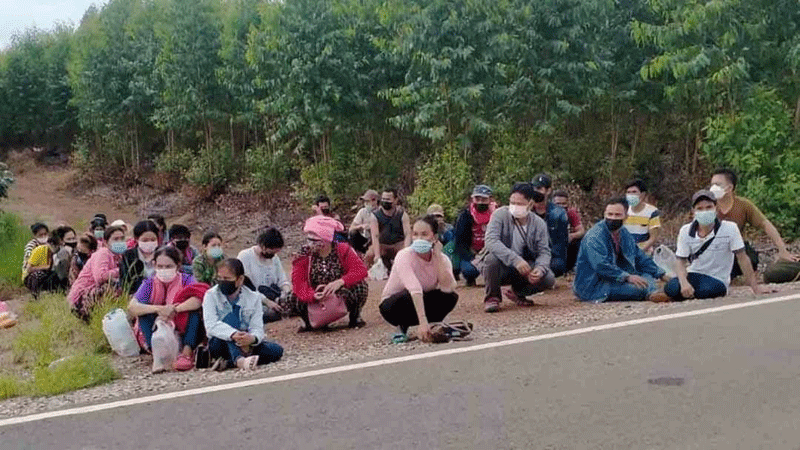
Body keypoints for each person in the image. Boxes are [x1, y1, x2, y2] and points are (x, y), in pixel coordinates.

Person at [665, 190, 762, 301]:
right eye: (700, 209)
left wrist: (755, 288)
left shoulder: (730, 228)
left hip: (717, 278)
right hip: (694, 273)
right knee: (671, 287)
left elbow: (742, 258)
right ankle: (685, 293)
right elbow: (680, 261)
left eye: (709, 207)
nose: (705, 211)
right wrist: (683, 283)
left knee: (709, 290)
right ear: (693, 211)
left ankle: (683, 296)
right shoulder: (685, 231)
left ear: (716, 208)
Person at [708, 168, 800, 283]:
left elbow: (765, 225)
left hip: (735, 249)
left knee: (749, 255)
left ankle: (744, 276)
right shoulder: (707, 206)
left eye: (717, 185)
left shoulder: (743, 205)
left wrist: (782, 250)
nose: (713, 188)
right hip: (713, 250)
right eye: (712, 185)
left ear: (729, 188)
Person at [574, 198, 671, 302]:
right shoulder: (595, 236)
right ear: (604, 214)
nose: (613, 218)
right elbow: (601, 266)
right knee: (638, 288)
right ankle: (651, 292)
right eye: (610, 214)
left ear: (626, 216)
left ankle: (653, 292)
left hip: (615, 278)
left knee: (645, 274)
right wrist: (627, 277)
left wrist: (660, 274)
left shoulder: (623, 232)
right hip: (595, 285)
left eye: (617, 215)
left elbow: (639, 256)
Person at [379, 216, 458, 343]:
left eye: (424, 234)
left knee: (450, 297)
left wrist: (438, 256)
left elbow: (448, 287)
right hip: (397, 304)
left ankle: (435, 324)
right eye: (415, 234)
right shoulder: (404, 256)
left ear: (434, 237)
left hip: (423, 297)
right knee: (407, 296)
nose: (419, 238)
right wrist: (422, 321)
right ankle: (404, 327)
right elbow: (414, 289)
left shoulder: (442, 258)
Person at [127, 247, 205, 372]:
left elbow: (198, 299)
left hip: (180, 327)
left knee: (193, 313)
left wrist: (175, 309)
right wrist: (159, 309)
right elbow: (133, 307)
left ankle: (187, 352)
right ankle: (157, 353)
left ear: (178, 265)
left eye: (168, 266)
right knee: (144, 314)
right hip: (158, 327)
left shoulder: (186, 280)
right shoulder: (149, 283)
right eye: (160, 266)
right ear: (154, 265)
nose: (164, 270)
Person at [483, 183, 555, 313]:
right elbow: (491, 241)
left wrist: (540, 268)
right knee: (491, 259)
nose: (515, 207)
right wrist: (515, 260)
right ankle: (492, 297)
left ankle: (518, 292)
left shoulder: (539, 224)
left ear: (530, 204)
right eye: (512, 203)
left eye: (520, 204)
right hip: (503, 264)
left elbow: (544, 251)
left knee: (548, 278)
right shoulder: (499, 215)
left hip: (525, 267)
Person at [203, 258, 284, 371]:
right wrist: (233, 334)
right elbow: (211, 325)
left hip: (247, 344)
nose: (222, 281)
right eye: (219, 278)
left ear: (240, 279)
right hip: (221, 342)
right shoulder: (210, 295)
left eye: (226, 278)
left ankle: (228, 362)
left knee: (276, 350)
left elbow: (257, 327)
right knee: (227, 325)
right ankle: (239, 360)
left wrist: (252, 338)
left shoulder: (254, 298)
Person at [290, 216, 369, 331]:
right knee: (292, 296)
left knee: (361, 287)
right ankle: (308, 321)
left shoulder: (343, 249)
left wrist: (340, 282)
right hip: (315, 292)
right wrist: (312, 295)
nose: (310, 244)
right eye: (308, 240)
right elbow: (298, 282)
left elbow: (361, 270)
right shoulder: (304, 254)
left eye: (314, 241)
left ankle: (355, 316)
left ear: (325, 240)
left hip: (339, 292)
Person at [67, 226, 127, 320]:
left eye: (122, 238)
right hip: (82, 297)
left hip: (94, 293)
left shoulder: (119, 256)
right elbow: (100, 277)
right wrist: (121, 270)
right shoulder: (103, 253)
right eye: (115, 239)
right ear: (106, 242)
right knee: (112, 286)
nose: (120, 241)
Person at [237, 228, 289, 323]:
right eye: (272, 252)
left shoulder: (274, 258)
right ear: (263, 247)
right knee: (270, 314)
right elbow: (246, 288)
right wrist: (267, 302)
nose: (274, 255)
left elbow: (282, 280)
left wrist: (286, 293)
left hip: (273, 295)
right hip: (253, 300)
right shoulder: (245, 256)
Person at [451, 185, 496, 286]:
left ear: (490, 199)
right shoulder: (465, 215)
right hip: (471, 251)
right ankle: (465, 274)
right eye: (477, 199)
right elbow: (460, 241)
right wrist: (473, 255)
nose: (480, 202)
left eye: (484, 199)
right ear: (472, 199)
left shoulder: (497, 214)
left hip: (491, 251)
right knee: (469, 270)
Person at [531, 174, 569, 277]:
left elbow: (560, 245)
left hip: (551, 256)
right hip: (530, 256)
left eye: (539, 188)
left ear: (548, 191)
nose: (536, 191)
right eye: (534, 188)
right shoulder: (525, 211)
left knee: (557, 266)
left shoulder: (559, 213)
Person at [367, 188, 412, 272]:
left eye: (388, 199)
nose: (385, 201)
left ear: (395, 200)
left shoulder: (402, 214)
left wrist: (405, 251)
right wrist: (377, 255)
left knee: (412, 253)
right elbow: (375, 236)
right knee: (370, 254)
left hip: (398, 245)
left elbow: (408, 234)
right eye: (383, 199)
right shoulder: (375, 215)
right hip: (382, 245)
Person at [119, 221, 161, 294]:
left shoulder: (163, 254)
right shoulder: (129, 256)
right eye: (145, 240)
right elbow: (125, 281)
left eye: (153, 240)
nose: (149, 242)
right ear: (137, 239)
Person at [23, 230, 66, 297]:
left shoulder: (59, 253)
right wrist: (45, 267)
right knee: (39, 274)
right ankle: (36, 294)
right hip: (32, 276)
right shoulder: (40, 250)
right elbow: (29, 269)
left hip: (48, 274)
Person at [622, 179, 661, 254]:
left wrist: (638, 251)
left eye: (634, 192)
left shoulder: (652, 212)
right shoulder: (623, 210)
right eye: (628, 192)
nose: (631, 195)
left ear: (643, 194)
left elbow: (653, 238)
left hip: (643, 253)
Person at [552, 189, 585, 273]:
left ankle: (576, 266)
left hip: (566, 244)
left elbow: (581, 231)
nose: (561, 206)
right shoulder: (548, 213)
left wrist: (572, 236)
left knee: (582, 239)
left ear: (568, 204)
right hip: (552, 247)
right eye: (558, 204)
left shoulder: (571, 212)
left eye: (564, 203)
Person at [349, 189, 379, 254]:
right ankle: (356, 253)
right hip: (364, 238)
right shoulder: (362, 211)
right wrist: (361, 226)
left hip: (376, 238)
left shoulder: (380, 212)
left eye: (368, 201)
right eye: (365, 201)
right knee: (353, 233)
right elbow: (351, 228)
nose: (366, 203)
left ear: (374, 201)